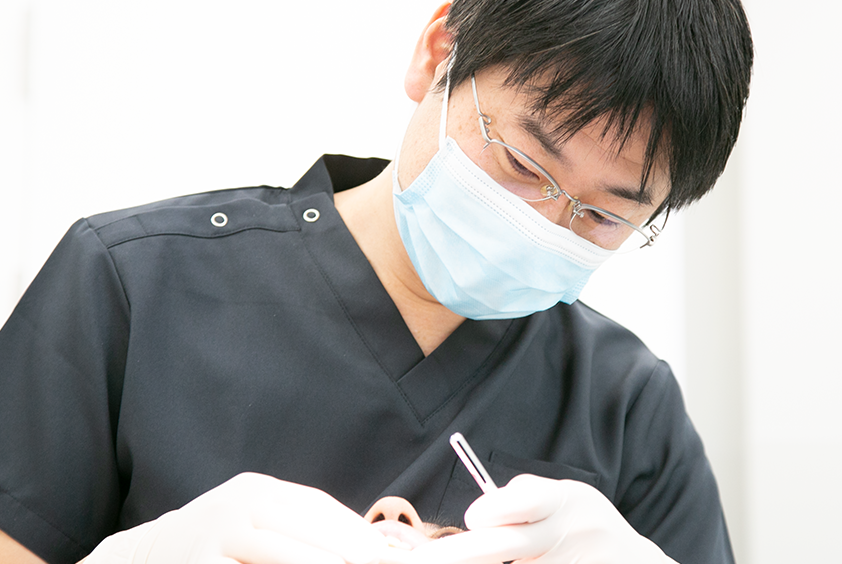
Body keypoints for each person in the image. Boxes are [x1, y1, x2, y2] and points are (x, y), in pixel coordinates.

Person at [0, 1, 753, 563]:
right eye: (523, 164)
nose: (543, 224)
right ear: (438, 54)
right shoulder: (133, 283)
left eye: (604, 216)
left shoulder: (625, 404)